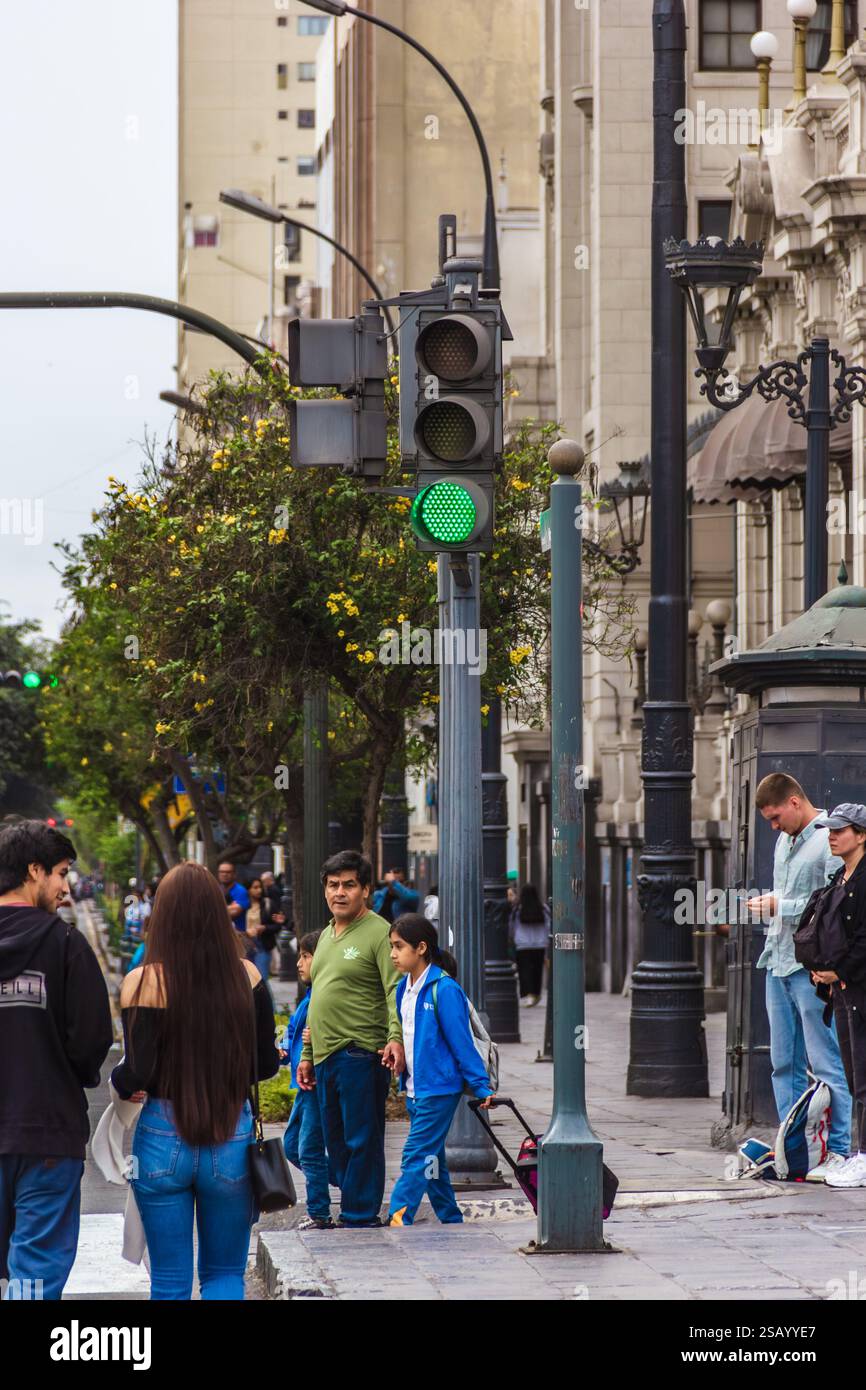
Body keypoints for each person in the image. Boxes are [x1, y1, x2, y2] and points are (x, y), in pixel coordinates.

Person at [113, 861, 279, 1299]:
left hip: (160, 1136)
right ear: (217, 912)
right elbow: (265, 1065)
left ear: (162, 914)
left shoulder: (141, 982)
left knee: (169, 1281)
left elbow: (136, 1073)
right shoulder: (247, 976)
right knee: (224, 1274)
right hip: (231, 1131)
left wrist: (119, 1079)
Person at [0, 821, 113, 1300]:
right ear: (34, 871)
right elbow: (91, 1043)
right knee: (34, 1269)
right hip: (47, 1131)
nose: (66, 888)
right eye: (62, 873)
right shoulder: (66, 945)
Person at [746, 773, 851, 1180]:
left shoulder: (828, 838)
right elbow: (791, 897)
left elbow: (830, 902)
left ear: (794, 802)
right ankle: (793, 1149)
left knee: (825, 1060)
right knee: (783, 1063)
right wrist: (772, 904)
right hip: (777, 961)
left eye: (776, 817)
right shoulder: (783, 841)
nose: (774, 826)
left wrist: (779, 905)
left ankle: (838, 1149)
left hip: (810, 968)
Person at [297, 850, 404, 1228]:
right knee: (337, 1143)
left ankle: (359, 1215)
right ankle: (355, 1207)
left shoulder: (379, 932)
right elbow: (317, 998)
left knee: (362, 1140)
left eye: (348, 885)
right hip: (325, 1056)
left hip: (360, 1052)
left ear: (366, 890)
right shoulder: (326, 935)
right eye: (332, 885)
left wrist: (395, 1038)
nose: (339, 892)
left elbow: (395, 990)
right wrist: (307, 1054)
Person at [386, 914, 494, 1227]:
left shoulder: (444, 989)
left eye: (399, 946)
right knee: (433, 1158)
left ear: (421, 948)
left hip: (439, 1089)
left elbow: (462, 1043)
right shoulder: (403, 989)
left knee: (416, 1154)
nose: (393, 954)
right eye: (391, 946)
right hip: (415, 1087)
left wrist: (481, 1085)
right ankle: (450, 1217)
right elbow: (410, 1036)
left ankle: (398, 1216)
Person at [806, 805, 866, 1187]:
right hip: (842, 990)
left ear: (861, 835)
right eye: (830, 830)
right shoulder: (839, 877)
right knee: (853, 1073)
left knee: (864, 1076)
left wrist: (839, 970)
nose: (832, 836)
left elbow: (863, 940)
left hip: (858, 987)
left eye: (840, 830)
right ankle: (859, 1154)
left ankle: (864, 1156)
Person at [279, 931, 331, 1229]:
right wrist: (282, 1049)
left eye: (305, 956)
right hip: (302, 1085)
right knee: (291, 1146)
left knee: (309, 1149)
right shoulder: (307, 999)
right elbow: (292, 1031)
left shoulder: (323, 998)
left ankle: (319, 1212)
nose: (299, 963)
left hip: (314, 1083)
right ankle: (351, 1181)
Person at [509, 883, 550, 1007]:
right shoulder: (543, 908)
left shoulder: (518, 909)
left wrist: (513, 937)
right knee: (537, 970)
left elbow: (512, 926)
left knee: (524, 971)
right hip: (540, 944)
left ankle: (529, 995)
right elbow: (548, 924)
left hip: (522, 944)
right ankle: (536, 994)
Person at [246, 878, 279, 982]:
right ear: (248, 890)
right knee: (248, 981)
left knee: (261, 980)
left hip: (261, 944)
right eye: (255, 887)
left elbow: (278, 925)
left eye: (260, 887)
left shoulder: (268, 904)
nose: (259, 890)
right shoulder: (243, 905)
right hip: (245, 945)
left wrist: (265, 928)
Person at [217, 860, 250, 936]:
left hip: (238, 935)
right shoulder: (216, 889)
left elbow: (234, 913)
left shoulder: (240, 891)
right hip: (220, 934)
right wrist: (229, 907)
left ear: (234, 874)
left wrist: (216, 908)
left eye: (228, 872)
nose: (224, 874)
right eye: (221, 872)